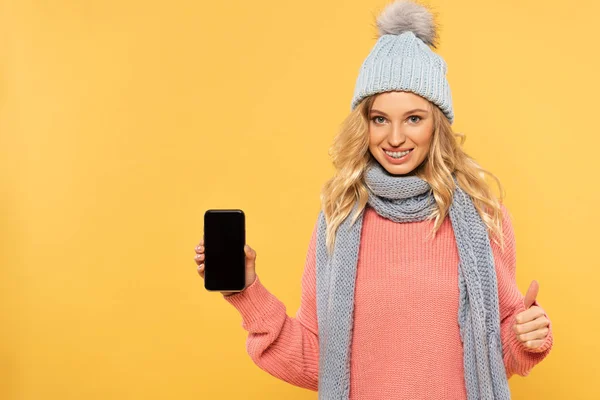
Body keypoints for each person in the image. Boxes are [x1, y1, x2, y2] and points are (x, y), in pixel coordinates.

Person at [193, 1, 553, 398]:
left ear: (437, 124)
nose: (395, 138)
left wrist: (524, 337)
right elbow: (317, 360)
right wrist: (247, 292)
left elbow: (492, 357)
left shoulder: (484, 217)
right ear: (363, 124)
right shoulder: (339, 218)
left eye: (414, 118)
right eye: (380, 119)